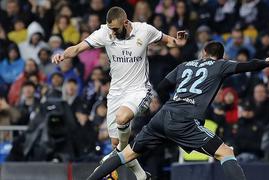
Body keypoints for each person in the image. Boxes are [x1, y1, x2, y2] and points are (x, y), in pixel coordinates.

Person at [86, 41, 269, 180]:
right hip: (185, 120)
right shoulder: (221, 65)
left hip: (164, 115)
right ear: (221, 56)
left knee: (126, 154)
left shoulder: (184, 65)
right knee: (225, 153)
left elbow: (161, 87)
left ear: (203, 52)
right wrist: (266, 62)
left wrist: (177, 99)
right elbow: (246, 66)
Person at [52, 6, 187, 180]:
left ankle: (114, 157)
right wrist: (63, 54)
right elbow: (78, 48)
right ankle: (141, 176)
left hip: (139, 91)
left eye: (115, 29)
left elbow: (169, 40)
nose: (113, 33)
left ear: (125, 22)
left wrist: (178, 42)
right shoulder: (105, 33)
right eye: (110, 29)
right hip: (115, 94)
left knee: (122, 118)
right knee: (117, 143)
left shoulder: (144, 30)